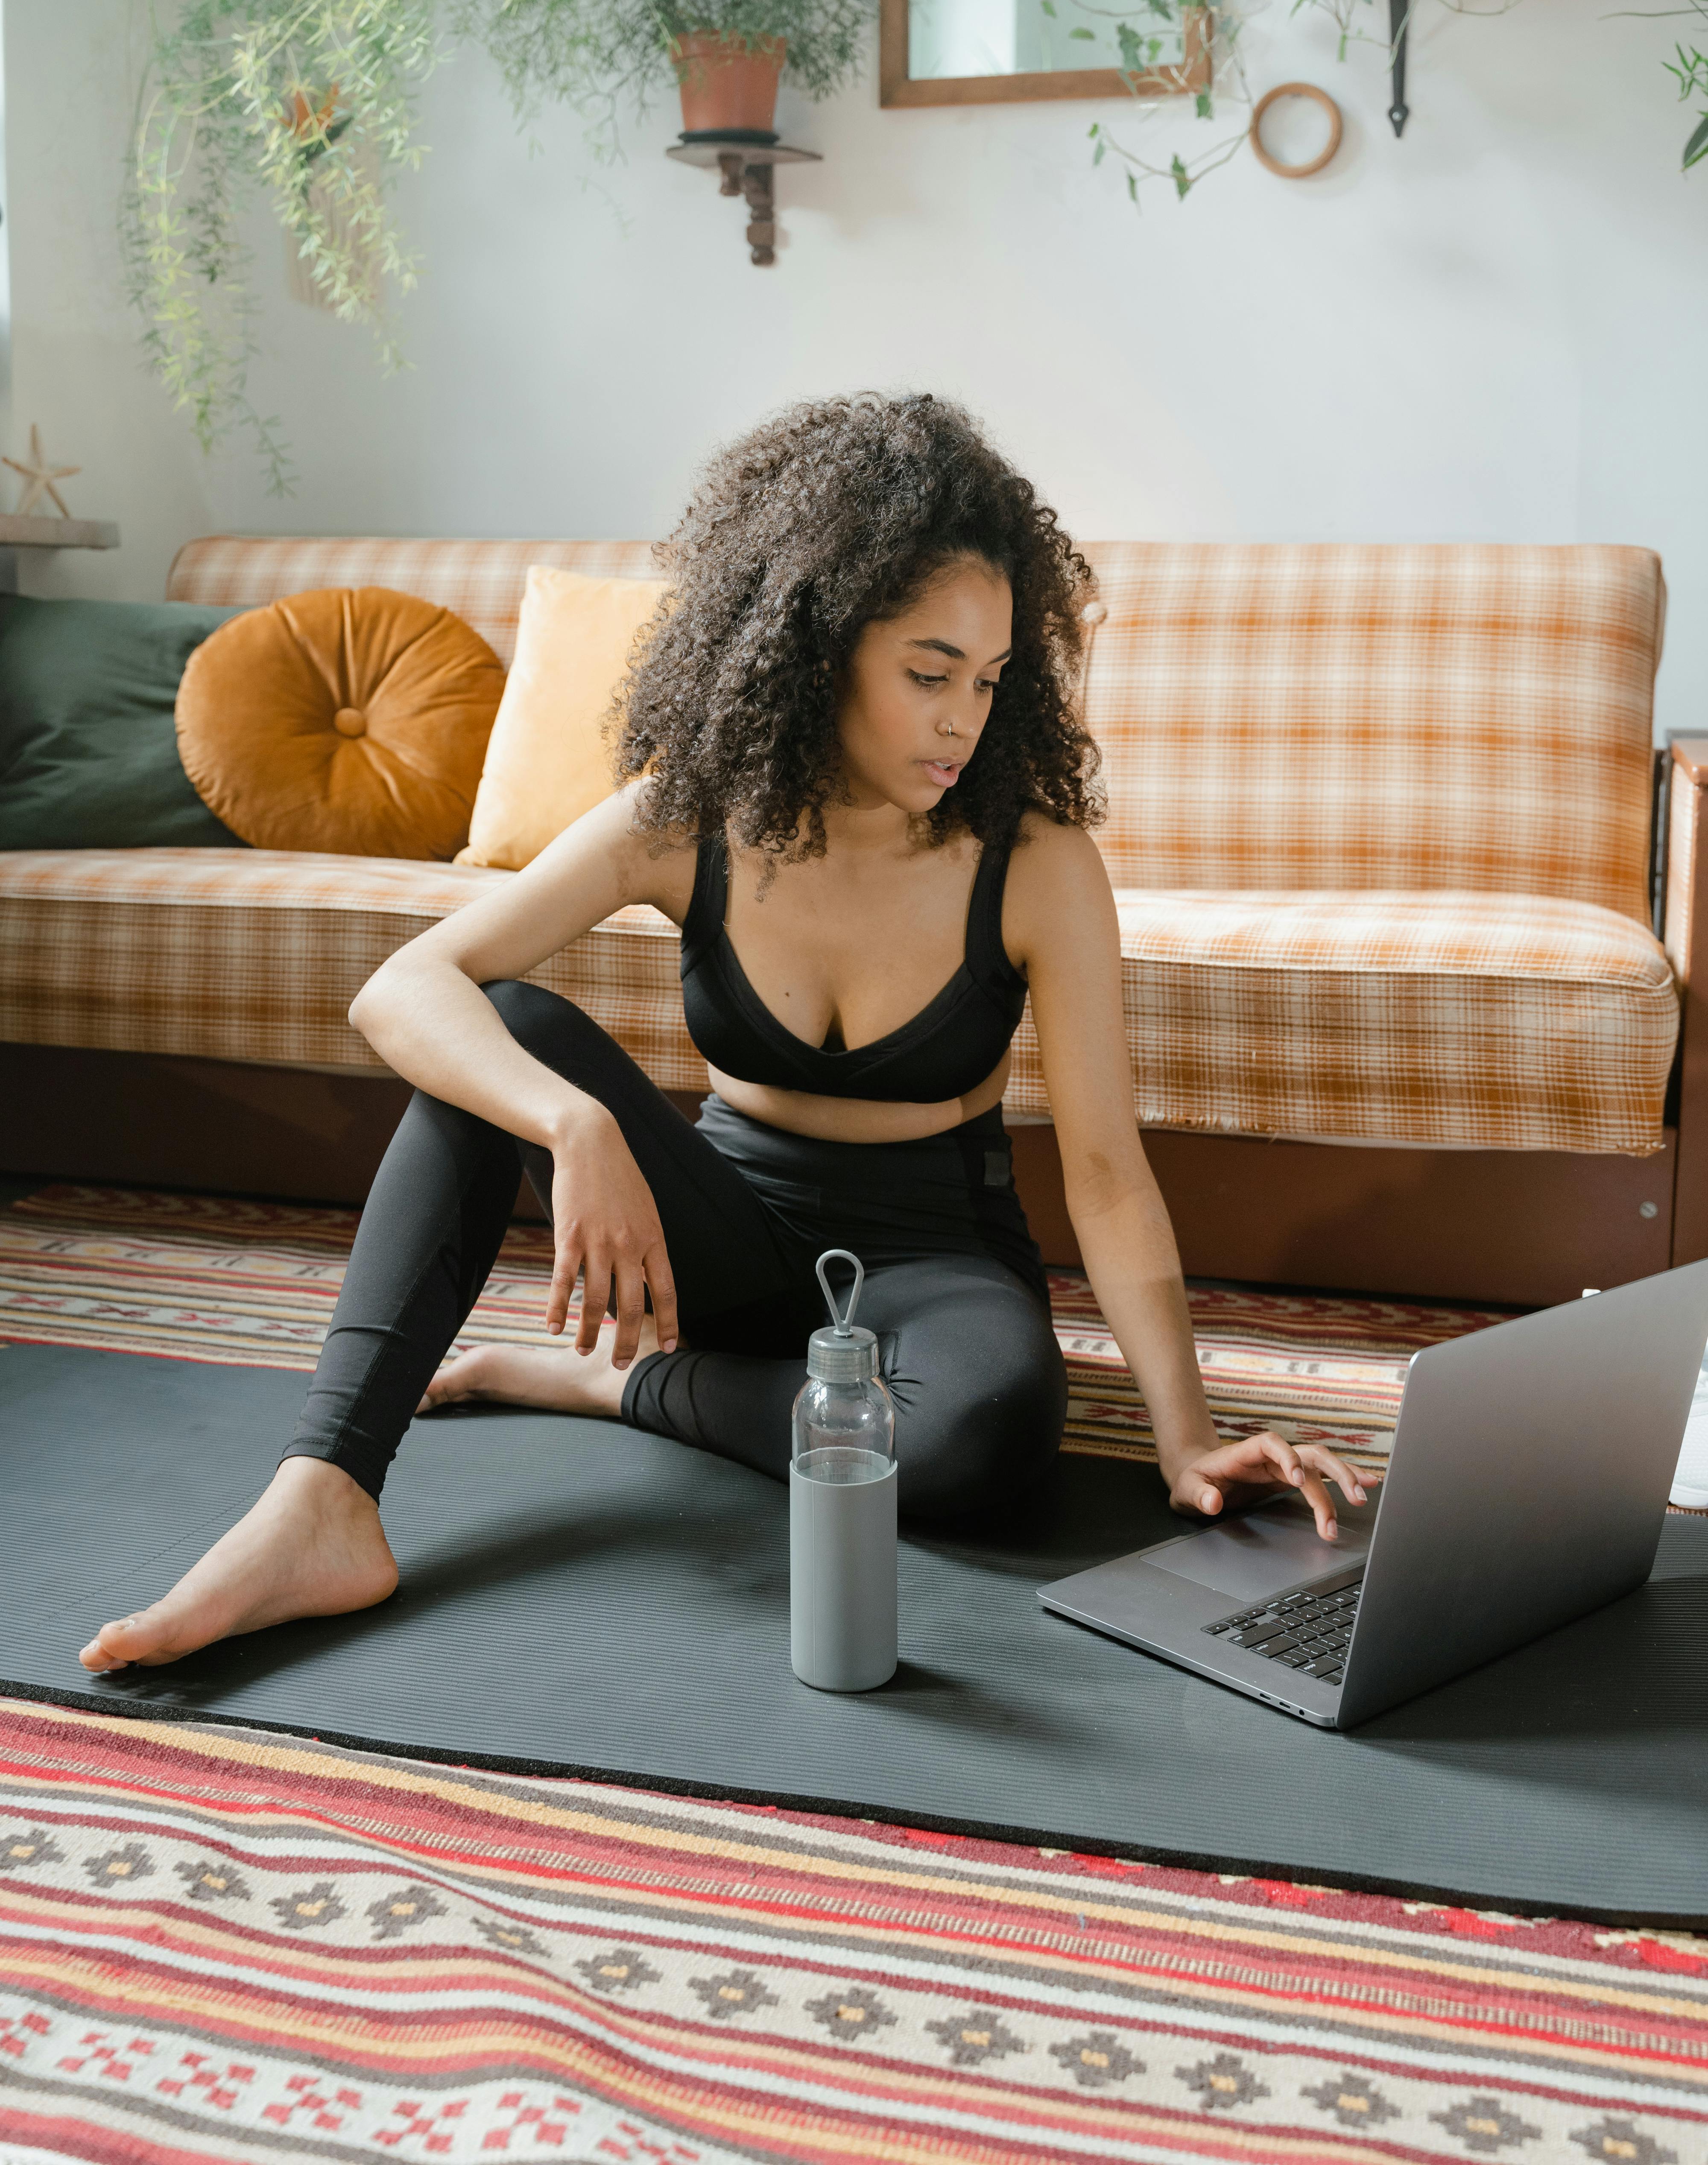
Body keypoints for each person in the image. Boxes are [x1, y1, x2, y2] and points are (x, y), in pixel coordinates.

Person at [80, 394, 1368, 1673]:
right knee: (504, 1027)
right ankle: (323, 1501)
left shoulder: (1034, 863)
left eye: (989, 680)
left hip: (935, 1266)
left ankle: (618, 1384)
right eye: (928, 673)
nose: (962, 720)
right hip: (721, 1239)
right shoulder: (683, 816)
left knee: (986, 1437)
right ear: (816, 642)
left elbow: (1106, 1174)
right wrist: (573, 1122)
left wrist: (1187, 1436)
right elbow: (403, 988)